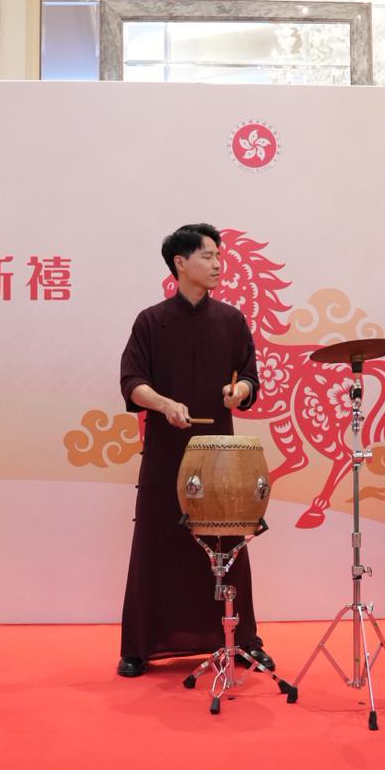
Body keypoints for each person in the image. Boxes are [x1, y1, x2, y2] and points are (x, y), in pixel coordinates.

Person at [115, 223, 271, 678]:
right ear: (180, 264)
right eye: (207, 255)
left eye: (219, 256)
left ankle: (241, 640)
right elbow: (131, 383)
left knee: (227, 544)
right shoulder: (151, 320)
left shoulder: (231, 320)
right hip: (167, 453)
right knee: (157, 544)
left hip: (221, 453)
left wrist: (239, 391)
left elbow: (250, 376)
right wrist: (164, 404)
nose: (218, 263)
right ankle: (140, 645)